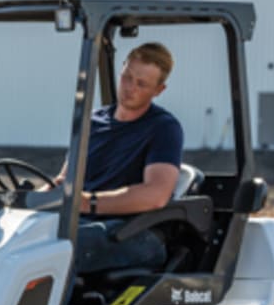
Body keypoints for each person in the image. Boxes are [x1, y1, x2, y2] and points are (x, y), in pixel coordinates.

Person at [56, 42, 183, 274]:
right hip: (86, 222)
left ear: (159, 90)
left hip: (135, 232)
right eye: (127, 77)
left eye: (142, 84)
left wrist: (88, 203)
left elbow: (156, 195)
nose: (130, 88)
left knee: (59, 248)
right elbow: (66, 179)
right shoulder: (93, 121)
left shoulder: (164, 128)